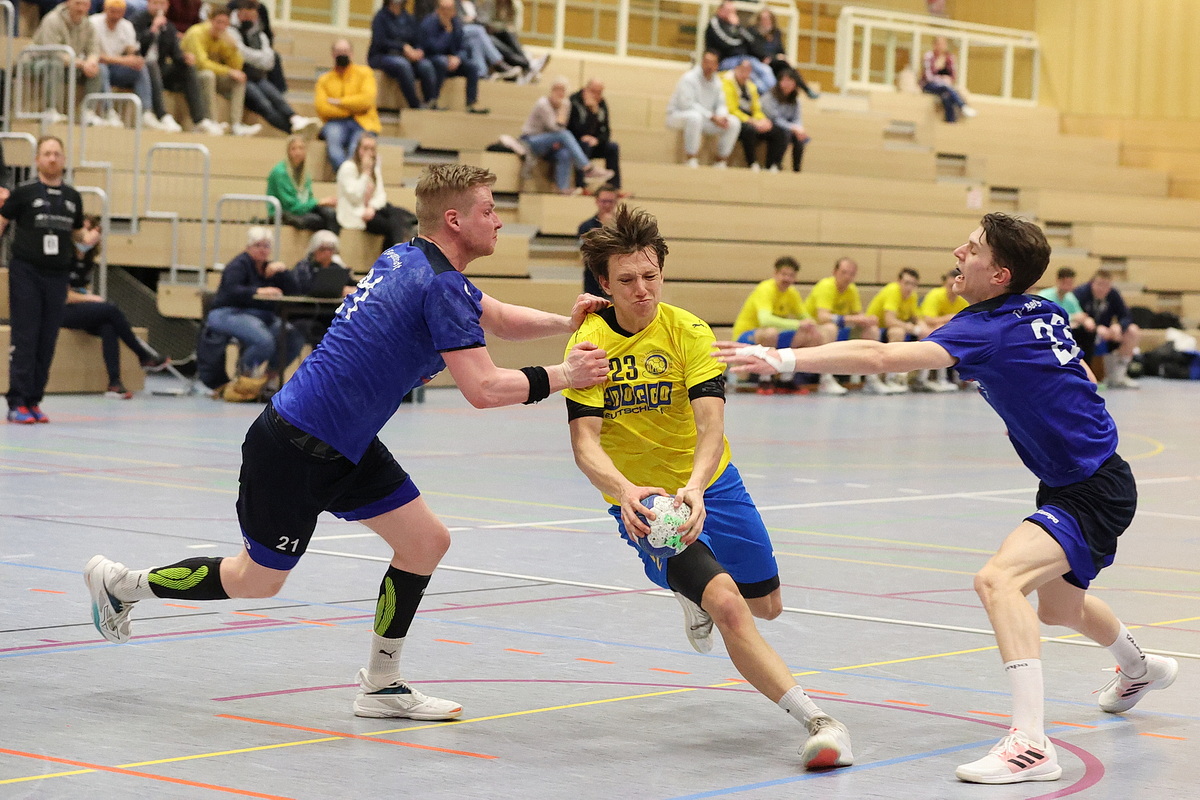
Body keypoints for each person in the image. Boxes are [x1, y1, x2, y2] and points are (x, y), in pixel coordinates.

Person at [83, 164, 611, 726]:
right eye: (489, 211)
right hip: (293, 447)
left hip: (347, 445)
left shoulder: (409, 258)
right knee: (255, 580)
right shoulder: (438, 283)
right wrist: (566, 375)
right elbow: (483, 389)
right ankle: (123, 584)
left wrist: (567, 323)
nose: (499, 221)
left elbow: (499, 318)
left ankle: (381, 685)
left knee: (425, 542)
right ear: (455, 220)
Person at [717, 212, 1179, 785]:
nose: (959, 252)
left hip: (1093, 488)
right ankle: (1141, 668)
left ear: (1000, 274)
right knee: (1059, 609)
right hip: (1079, 479)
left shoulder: (986, 328)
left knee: (998, 581)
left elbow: (881, 357)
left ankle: (1031, 746)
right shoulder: (1041, 309)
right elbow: (1080, 368)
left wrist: (784, 358)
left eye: (974, 248)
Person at [566, 204, 854, 771]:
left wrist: (697, 487)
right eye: (627, 280)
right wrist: (625, 491)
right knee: (726, 603)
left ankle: (688, 591)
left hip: (713, 483)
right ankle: (821, 722)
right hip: (646, 502)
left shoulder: (689, 331)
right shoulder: (589, 345)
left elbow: (710, 426)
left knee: (766, 606)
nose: (642, 290)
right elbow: (585, 444)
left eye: (650, 276)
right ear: (603, 283)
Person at [2, 136, 102, 424]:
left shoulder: (72, 197)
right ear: (37, 160)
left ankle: (34, 400)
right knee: (26, 337)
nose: (52, 158)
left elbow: (76, 233)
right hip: (27, 272)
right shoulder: (24, 193)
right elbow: (3, 220)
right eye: (46, 153)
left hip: (57, 275)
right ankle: (17, 401)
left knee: (47, 339)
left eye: (57, 153)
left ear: (64, 159)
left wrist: (87, 239)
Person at [60, 215, 169, 399]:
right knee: (110, 309)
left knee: (108, 326)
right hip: (59, 310)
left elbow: (81, 290)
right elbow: (64, 296)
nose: (89, 234)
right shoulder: (64, 257)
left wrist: (89, 298)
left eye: (92, 230)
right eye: (85, 229)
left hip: (78, 308)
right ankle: (143, 355)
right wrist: (91, 299)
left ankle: (115, 383)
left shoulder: (87, 259)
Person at [203, 226, 304, 393]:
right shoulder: (238, 265)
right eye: (258, 246)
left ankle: (268, 378)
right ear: (248, 247)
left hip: (261, 316)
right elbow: (231, 290)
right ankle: (244, 376)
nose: (263, 250)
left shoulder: (271, 268)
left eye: (266, 246)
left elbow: (295, 293)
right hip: (228, 313)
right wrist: (258, 291)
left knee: (293, 336)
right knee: (263, 340)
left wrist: (284, 272)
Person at [730, 256, 823, 393]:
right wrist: (798, 324)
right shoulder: (765, 289)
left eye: (791, 275)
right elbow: (765, 320)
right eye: (784, 274)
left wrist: (811, 324)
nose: (787, 279)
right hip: (748, 336)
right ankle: (765, 380)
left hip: (774, 338)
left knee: (809, 334)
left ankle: (786, 380)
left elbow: (805, 318)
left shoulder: (792, 293)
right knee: (770, 332)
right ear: (775, 273)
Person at [804, 258, 895, 394]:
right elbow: (823, 317)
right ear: (834, 272)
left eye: (852, 274)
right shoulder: (826, 286)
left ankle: (871, 378)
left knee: (872, 330)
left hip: (841, 330)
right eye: (844, 272)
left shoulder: (851, 289)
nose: (847, 277)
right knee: (830, 328)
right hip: (814, 331)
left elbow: (857, 314)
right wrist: (852, 319)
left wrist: (867, 319)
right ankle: (825, 379)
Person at [133, 0, 224, 135]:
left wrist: (185, 57)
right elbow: (137, 48)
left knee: (187, 68)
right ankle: (162, 115)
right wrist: (153, 29)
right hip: (140, 68)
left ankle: (199, 120)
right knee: (151, 64)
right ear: (148, 4)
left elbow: (175, 54)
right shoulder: (137, 21)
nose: (159, 7)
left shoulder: (168, 26)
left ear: (167, 6)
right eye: (155, 3)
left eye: (162, 4)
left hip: (161, 69)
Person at [227, 0, 317, 134]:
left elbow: (269, 61)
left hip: (258, 76)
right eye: (246, 16)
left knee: (278, 98)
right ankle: (292, 131)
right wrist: (259, 57)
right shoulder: (231, 31)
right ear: (239, 14)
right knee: (264, 105)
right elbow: (240, 54)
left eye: (252, 17)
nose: (249, 20)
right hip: (243, 78)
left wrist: (253, 58)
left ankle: (296, 120)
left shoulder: (260, 34)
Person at [91, 0, 180, 130]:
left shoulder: (126, 26)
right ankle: (108, 111)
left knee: (142, 67)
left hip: (117, 69)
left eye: (119, 12)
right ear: (105, 10)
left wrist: (135, 58)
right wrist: (124, 60)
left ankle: (146, 113)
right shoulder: (94, 22)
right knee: (101, 68)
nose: (116, 15)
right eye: (112, 11)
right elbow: (95, 55)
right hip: (98, 65)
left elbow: (132, 50)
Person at [519, 77, 614, 195]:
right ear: (551, 90)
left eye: (562, 90)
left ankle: (563, 189)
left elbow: (565, 128)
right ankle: (588, 168)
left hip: (552, 144)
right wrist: (562, 110)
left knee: (565, 153)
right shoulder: (543, 103)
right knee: (564, 134)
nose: (559, 93)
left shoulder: (566, 103)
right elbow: (555, 128)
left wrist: (592, 113)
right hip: (531, 140)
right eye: (556, 89)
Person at [180, 6, 263, 136]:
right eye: (218, 22)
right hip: (189, 75)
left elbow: (237, 67)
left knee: (239, 79)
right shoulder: (196, 33)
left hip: (213, 75)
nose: (221, 26)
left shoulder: (223, 37)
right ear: (210, 21)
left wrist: (234, 48)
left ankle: (236, 125)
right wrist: (228, 71)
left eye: (225, 23)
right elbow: (202, 64)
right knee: (208, 75)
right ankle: (212, 121)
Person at [33, 0, 114, 128]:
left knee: (100, 69)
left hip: (70, 65)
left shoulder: (88, 24)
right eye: (77, 3)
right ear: (68, 3)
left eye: (85, 5)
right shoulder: (52, 19)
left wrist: (91, 62)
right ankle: (50, 110)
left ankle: (87, 112)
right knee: (55, 65)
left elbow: (94, 50)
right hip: (38, 61)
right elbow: (54, 52)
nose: (81, 8)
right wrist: (82, 64)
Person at [337, 134, 416, 252]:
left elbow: (381, 195)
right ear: (358, 150)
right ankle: (397, 250)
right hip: (357, 213)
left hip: (372, 209)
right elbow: (355, 197)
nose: (369, 153)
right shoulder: (348, 168)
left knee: (400, 215)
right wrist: (365, 173)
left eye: (372, 149)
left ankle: (397, 248)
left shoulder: (374, 168)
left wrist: (372, 207)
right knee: (394, 224)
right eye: (365, 149)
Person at [315, 39, 384, 171]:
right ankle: (347, 175)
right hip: (335, 123)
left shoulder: (365, 73)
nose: (342, 54)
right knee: (334, 149)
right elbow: (322, 108)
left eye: (345, 51)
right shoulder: (324, 80)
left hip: (363, 122)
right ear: (333, 54)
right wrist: (353, 108)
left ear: (352, 53)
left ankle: (349, 176)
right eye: (339, 51)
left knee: (356, 150)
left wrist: (339, 102)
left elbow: (366, 101)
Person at [666, 50, 740, 169]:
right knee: (695, 117)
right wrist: (711, 116)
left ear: (717, 65)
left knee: (734, 122)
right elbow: (686, 104)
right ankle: (691, 158)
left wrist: (721, 116)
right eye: (706, 62)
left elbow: (721, 104)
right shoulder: (689, 78)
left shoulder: (717, 82)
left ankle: (720, 161)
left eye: (712, 63)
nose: (709, 66)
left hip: (706, 119)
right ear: (701, 62)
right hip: (679, 115)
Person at [1071, 269, 1141, 389]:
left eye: (1106, 286)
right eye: (1099, 284)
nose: (1102, 289)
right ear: (1092, 283)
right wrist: (1096, 328)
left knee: (1132, 330)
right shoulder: (1080, 293)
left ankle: (1119, 376)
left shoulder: (1113, 294)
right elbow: (1075, 315)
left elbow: (1126, 316)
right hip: (1086, 334)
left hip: (1107, 334)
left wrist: (1119, 326)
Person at [865, 267, 929, 392]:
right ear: (899, 282)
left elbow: (917, 317)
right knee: (897, 332)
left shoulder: (912, 296)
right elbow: (890, 321)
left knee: (926, 333)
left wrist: (924, 329)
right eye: (907, 283)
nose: (909, 287)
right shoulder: (893, 291)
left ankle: (920, 380)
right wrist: (912, 328)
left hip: (890, 330)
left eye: (913, 284)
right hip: (874, 329)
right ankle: (884, 379)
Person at [418, 0, 488, 113]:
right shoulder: (429, 23)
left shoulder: (456, 23)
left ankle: (471, 104)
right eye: (443, 9)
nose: (446, 13)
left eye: (449, 10)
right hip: (432, 58)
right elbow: (433, 48)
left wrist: (458, 58)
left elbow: (462, 48)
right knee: (441, 61)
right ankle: (432, 101)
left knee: (472, 67)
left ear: (454, 11)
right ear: (438, 10)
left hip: (451, 60)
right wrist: (447, 33)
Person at [368, 0, 437, 111]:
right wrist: (402, 47)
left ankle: (431, 102)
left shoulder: (409, 18)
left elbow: (418, 39)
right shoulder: (380, 17)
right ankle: (415, 105)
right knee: (402, 64)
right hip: (382, 55)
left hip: (407, 56)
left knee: (426, 65)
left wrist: (418, 50)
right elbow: (380, 42)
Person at [289, 229, 353, 345]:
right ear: (314, 249)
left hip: (329, 313)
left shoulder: (337, 268)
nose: (327, 253)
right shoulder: (303, 268)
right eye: (323, 249)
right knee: (318, 331)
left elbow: (352, 284)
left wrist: (352, 289)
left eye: (330, 249)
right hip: (306, 314)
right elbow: (303, 288)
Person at [723, 57, 785, 172]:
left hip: (752, 119)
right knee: (749, 130)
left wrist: (762, 120)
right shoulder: (727, 83)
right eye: (742, 70)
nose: (745, 74)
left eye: (748, 71)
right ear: (736, 69)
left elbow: (756, 109)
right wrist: (751, 121)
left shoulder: (751, 86)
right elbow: (731, 109)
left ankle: (772, 165)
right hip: (737, 119)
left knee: (779, 131)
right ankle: (752, 163)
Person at [267, 135, 340, 234]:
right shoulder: (280, 172)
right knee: (316, 220)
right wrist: (319, 202)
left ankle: (333, 242)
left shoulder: (305, 173)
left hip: (302, 209)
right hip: (285, 212)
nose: (298, 152)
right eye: (293, 149)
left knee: (330, 214)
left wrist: (318, 203)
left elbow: (308, 198)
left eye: (301, 148)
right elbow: (291, 206)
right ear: (288, 152)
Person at [705, 0, 773, 93]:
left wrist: (738, 26)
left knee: (765, 70)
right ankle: (764, 96)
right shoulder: (715, 22)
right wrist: (740, 40)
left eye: (733, 11)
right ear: (720, 10)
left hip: (743, 57)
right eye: (729, 10)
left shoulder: (734, 25)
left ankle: (772, 96)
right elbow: (726, 42)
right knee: (750, 75)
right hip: (725, 60)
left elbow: (751, 41)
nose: (731, 14)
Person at [748, 7, 817, 96]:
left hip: (776, 62)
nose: (766, 21)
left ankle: (804, 89)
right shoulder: (754, 32)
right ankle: (806, 89)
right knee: (783, 66)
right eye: (763, 19)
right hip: (761, 62)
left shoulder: (776, 33)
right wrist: (773, 57)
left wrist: (780, 57)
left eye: (768, 19)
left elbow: (781, 50)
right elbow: (756, 50)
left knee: (789, 70)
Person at [917, 269, 968, 391]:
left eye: (956, 285)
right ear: (944, 284)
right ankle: (928, 379)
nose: (953, 289)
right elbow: (928, 319)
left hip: (947, 330)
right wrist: (949, 318)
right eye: (950, 286)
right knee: (939, 332)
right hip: (926, 327)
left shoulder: (962, 299)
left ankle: (963, 377)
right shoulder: (935, 295)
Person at [475, 0, 547, 84]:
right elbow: (486, 24)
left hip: (506, 35)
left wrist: (504, 28)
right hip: (490, 35)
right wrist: (503, 26)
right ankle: (528, 64)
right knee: (493, 40)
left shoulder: (516, 5)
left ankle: (527, 64)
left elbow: (516, 27)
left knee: (509, 34)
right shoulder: (490, 2)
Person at [568, 79, 621, 191]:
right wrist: (591, 113)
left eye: (599, 92)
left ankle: (613, 187)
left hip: (594, 143)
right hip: (576, 143)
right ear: (585, 89)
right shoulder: (574, 101)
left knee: (613, 148)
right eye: (593, 91)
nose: (596, 95)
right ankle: (581, 186)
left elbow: (606, 131)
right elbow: (574, 129)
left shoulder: (602, 103)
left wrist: (597, 140)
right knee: (584, 145)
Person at [759, 68, 809, 172]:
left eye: (790, 81)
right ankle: (775, 164)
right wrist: (792, 127)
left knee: (800, 138)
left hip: (786, 127)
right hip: (769, 126)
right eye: (784, 80)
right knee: (784, 133)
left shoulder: (795, 100)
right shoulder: (769, 96)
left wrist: (799, 129)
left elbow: (797, 118)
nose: (787, 84)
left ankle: (797, 169)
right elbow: (774, 118)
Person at [921, 35, 975, 123]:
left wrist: (946, 79)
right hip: (929, 85)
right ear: (934, 45)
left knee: (946, 96)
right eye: (939, 44)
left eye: (943, 44)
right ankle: (962, 106)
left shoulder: (949, 58)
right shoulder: (929, 56)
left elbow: (953, 76)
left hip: (945, 87)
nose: (941, 46)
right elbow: (928, 77)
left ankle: (950, 121)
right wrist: (940, 76)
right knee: (945, 87)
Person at [576, 184, 617, 297]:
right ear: (597, 201)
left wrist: (611, 226)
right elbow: (585, 255)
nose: (607, 205)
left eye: (610, 201)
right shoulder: (586, 227)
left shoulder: (623, 226)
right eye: (604, 201)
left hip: (618, 284)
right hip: (593, 284)